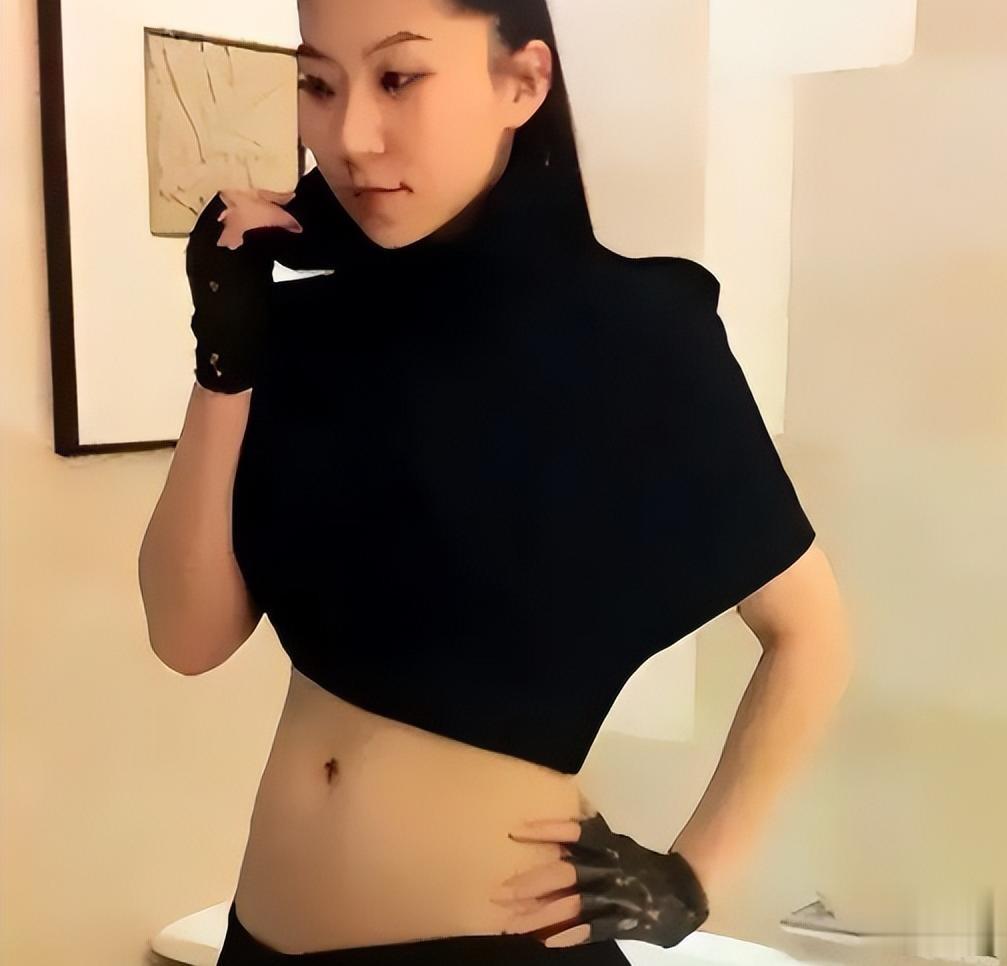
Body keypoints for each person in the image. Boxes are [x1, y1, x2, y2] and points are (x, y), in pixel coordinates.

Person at [139, 0, 825, 963]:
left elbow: (811, 635)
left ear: (523, 83)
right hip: (258, 940)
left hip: (499, 938)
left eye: (398, 78)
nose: (352, 135)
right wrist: (224, 359)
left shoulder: (638, 338)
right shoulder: (308, 332)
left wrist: (694, 875)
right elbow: (187, 637)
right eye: (318, 84)